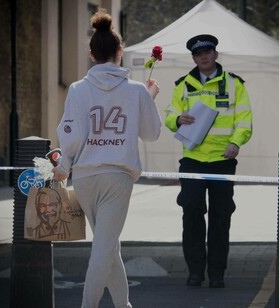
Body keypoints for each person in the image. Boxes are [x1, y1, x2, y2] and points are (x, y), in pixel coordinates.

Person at [52, 8, 162, 308]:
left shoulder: (76, 89)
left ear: (92, 55)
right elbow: (151, 134)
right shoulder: (137, 90)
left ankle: (124, 305)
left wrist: (63, 167)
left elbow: (70, 134)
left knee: (107, 248)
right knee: (103, 250)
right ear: (120, 52)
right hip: (118, 177)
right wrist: (148, 101)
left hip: (85, 178)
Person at [165, 34, 252, 288]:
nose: (203, 56)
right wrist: (177, 119)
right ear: (194, 58)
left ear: (216, 54)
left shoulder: (235, 84)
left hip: (223, 161)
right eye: (198, 54)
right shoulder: (183, 84)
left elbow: (244, 119)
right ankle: (195, 270)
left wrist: (236, 142)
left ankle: (217, 273)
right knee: (191, 210)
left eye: (208, 52)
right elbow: (170, 114)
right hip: (192, 160)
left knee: (220, 216)